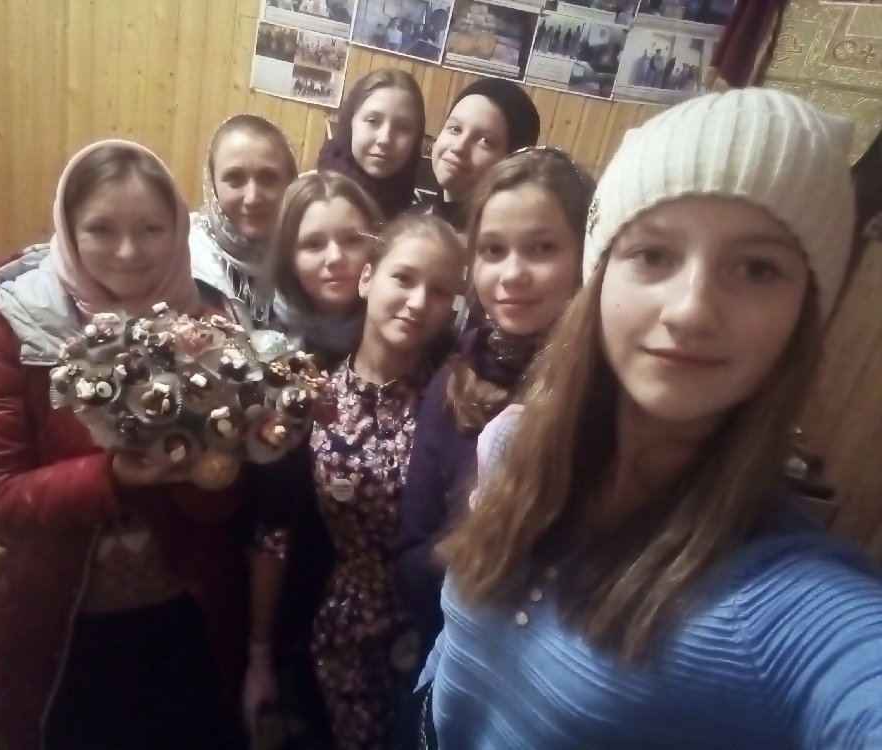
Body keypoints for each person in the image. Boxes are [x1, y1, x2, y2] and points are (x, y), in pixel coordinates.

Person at [415, 88, 882, 749]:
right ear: (602, 275)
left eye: (756, 268)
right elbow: (457, 645)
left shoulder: (790, 601)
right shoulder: (513, 446)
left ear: (805, 312)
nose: (690, 309)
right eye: (654, 255)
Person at [0, 140, 288, 750]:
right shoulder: (20, 322)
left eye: (151, 229)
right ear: (69, 228)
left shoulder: (211, 322)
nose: (129, 252)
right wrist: (110, 478)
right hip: (57, 621)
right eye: (102, 229)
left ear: (178, 229)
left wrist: (211, 468)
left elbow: (225, 510)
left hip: (184, 613)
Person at [396, 147, 595, 659]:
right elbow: (413, 555)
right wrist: (478, 545)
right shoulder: (455, 380)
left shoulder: (606, 393)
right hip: (453, 649)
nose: (512, 274)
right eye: (492, 250)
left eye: (542, 248)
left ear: (586, 254)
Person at [310, 213, 467, 750]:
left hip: (435, 627)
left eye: (440, 291)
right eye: (404, 278)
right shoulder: (316, 395)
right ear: (366, 278)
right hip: (343, 627)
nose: (419, 302)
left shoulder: (459, 400)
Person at [270, 170, 384, 372]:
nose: (335, 258)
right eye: (313, 244)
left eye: (352, 240)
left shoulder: (393, 335)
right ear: (289, 259)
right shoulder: (268, 334)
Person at [190, 115, 298, 328]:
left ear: (290, 182)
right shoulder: (183, 258)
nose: (252, 198)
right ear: (213, 185)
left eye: (268, 178)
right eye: (235, 179)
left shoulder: (306, 255)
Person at [425, 78, 541, 230]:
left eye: (485, 141)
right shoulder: (413, 217)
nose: (459, 147)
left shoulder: (495, 242)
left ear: (512, 162)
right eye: (455, 129)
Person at [318, 69, 426, 219]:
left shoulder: (419, 215)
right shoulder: (309, 198)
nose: (385, 139)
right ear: (349, 123)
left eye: (403, 128)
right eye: (373, 121)